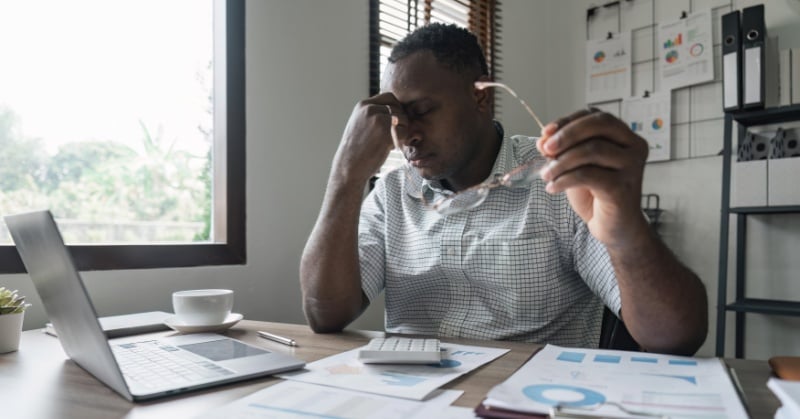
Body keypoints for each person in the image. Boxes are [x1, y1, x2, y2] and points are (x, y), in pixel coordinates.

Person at [300, 23, 707, 355]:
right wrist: (345, 176)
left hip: (534, 400)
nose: (407, 135)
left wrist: (626, 229)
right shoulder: (391, 193)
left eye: (422, 111)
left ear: (480, 98)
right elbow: (325, 315)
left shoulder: (560, 181)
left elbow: (675, 339)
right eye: (397, 118)